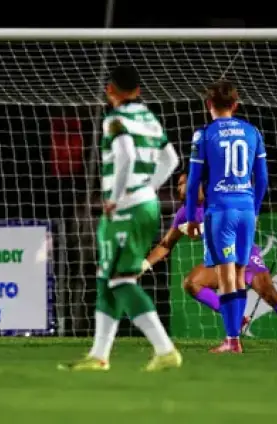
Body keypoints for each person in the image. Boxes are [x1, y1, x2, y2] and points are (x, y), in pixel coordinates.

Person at [60, 65, 181, 372]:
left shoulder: (115, 119)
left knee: (121, 279)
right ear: (138, 90)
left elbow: (125, 153)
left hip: (126, 209)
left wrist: (117, 197)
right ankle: (99, 355)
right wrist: (149, 188)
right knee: (106, 278)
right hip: (143, 204)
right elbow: (171, 159)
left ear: (109, 89)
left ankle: (165, 349)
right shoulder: (149, 119)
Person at [144, 174, 277, 339]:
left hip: (243, 256)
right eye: (178, 185)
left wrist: (203, 228)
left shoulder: (221, 200)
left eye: (182, 183)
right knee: (192, 283)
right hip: (221, 261)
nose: (179, 188)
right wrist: (145, 263)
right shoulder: (184, 214)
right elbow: (165, 244)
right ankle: (236, 319)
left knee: (269, 294)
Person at [185, 81, 269, 354]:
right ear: (235, 104)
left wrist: (191, 216)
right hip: (246, 209)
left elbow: (194, 181)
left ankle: (232, 340)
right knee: (240, 273)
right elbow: (263, 179)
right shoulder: (252, 131)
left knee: (226, 277)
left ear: (208, 104)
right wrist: (254, 210)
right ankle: (234, 338)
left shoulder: (204, 134)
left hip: (220, 211)